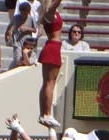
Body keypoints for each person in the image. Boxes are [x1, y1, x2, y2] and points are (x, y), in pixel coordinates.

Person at [36, 0, 63, 129]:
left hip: (52, 47)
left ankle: (44, 113)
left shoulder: (48, 13)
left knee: (47, 82)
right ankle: (47, 113)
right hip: (53, 47)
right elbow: (56, 4)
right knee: (50, 83)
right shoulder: (48, 13)